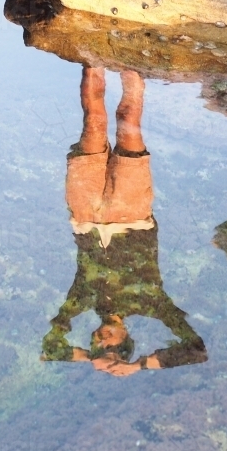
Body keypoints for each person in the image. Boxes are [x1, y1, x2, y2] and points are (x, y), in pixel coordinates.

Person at [41, 66, 207, 376]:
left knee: (92, 124)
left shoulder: (80, 301)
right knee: (129, 122)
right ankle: (132, 60)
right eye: (112, 347)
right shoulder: (150, 302)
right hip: (132, 213)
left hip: (86, 214)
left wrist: (87, 360)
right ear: (126, 338)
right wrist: (139, 365)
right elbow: (197, 351)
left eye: (96, 347)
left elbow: (49, 350)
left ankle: (93, 56)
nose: (102, 342)